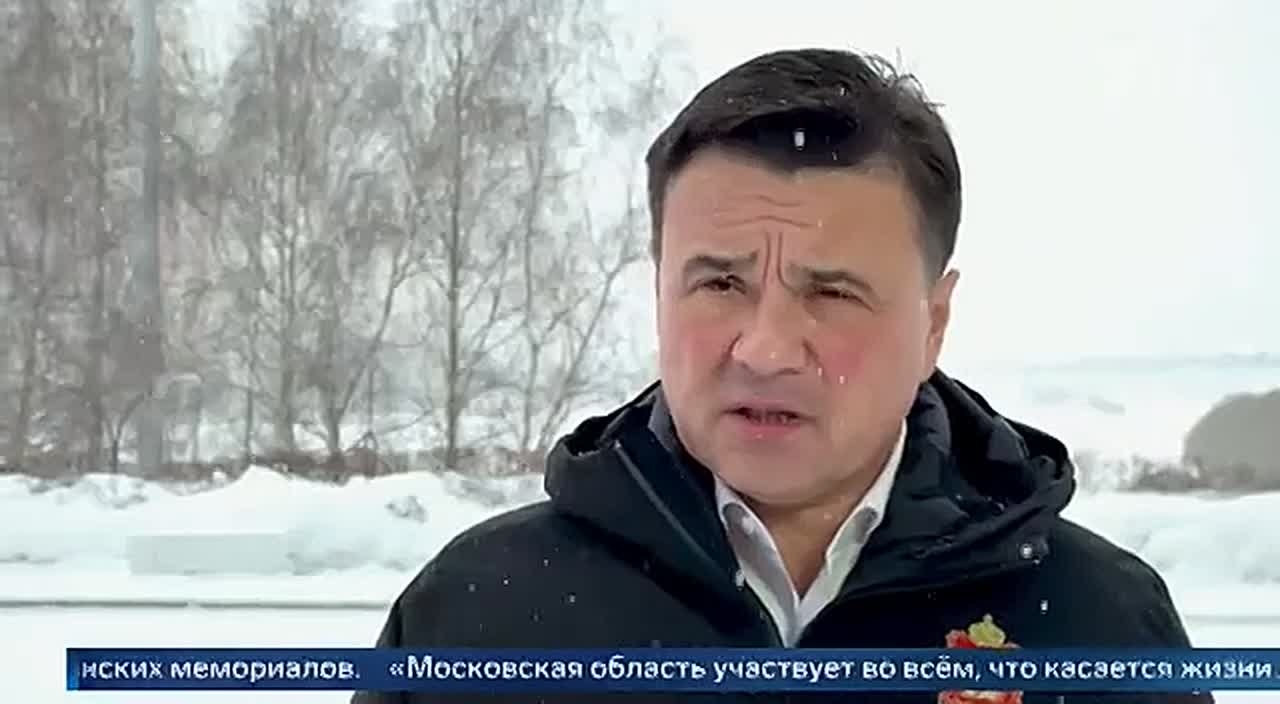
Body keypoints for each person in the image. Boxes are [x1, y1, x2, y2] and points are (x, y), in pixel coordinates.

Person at [353, 48, 1210, 704]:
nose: (765, 349)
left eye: (831, 293)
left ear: (933, 324)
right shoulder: (477, 620)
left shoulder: (1101, 631)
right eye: (720, 284)